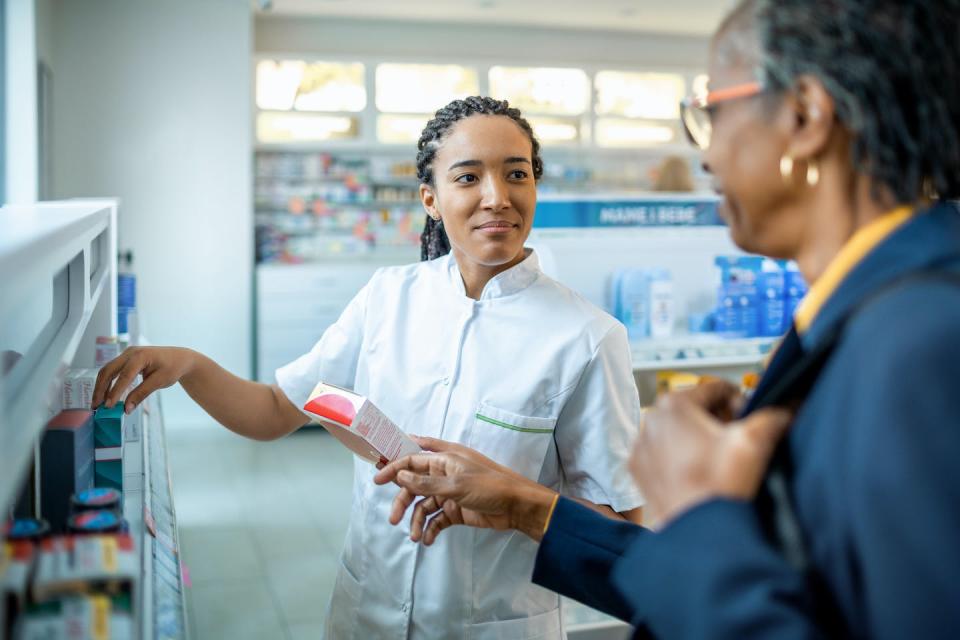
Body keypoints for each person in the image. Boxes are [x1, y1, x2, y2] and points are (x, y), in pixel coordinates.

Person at [376, 1, 960, 637]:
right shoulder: (862, 315)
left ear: (804, 115)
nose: (704, 156)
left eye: (711, 113)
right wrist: (527, 506)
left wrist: (702, 513)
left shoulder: (923, 343)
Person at [91, 96, 645, 638]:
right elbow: (275, 410)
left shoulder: (588, 338)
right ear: (430, 198)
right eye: (468, 177)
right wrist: (190, 365)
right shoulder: (388, 296)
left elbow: (618, 542)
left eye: (516, 174)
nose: (496, 197)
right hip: (366, 615)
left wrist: (508, 498)